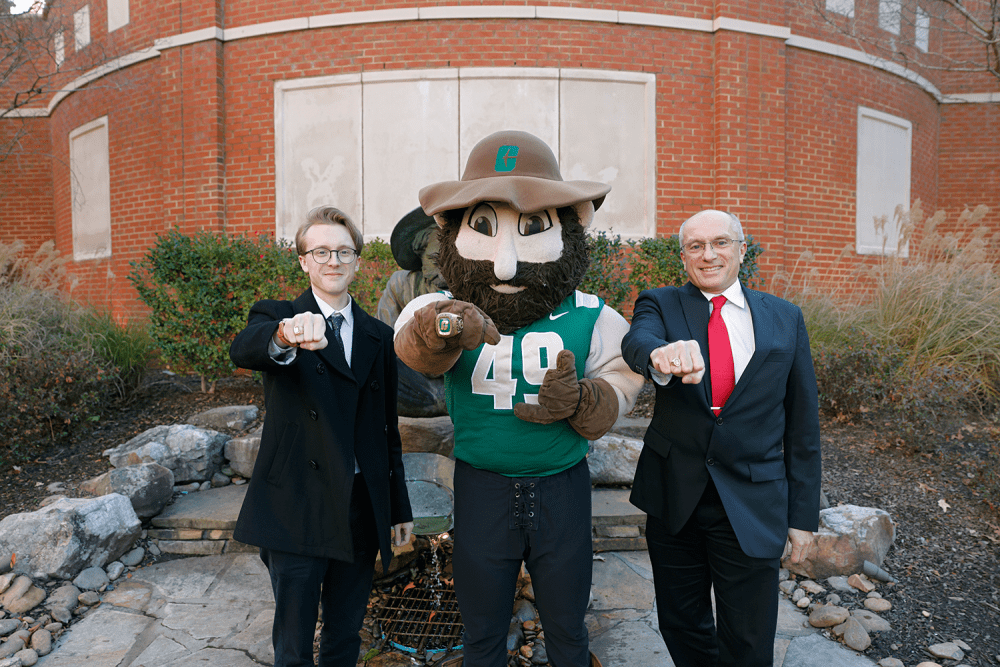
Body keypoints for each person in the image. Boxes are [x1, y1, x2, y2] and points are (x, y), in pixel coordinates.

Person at [394, 130, 644, 667]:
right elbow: (410, 341)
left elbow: (625, 374)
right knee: (482, 636)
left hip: (563, 490)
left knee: (568, 630)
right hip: (482, 488)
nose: (505, 264)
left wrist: (588, 400)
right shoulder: (445, 305)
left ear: (572, 224)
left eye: (531, 229)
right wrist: (435, 335)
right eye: (484, 228)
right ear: (452, 229)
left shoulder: (590, 313)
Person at [620, 209, 821, 667]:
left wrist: (803, 516)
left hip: (753, 500)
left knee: (750, 639)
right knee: (682, 623)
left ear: (741, 250)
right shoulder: (661, 303)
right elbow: (638, 342)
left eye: (720, 243)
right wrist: (660, 354)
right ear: (684, 256)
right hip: (675, 495)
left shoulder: (785, 318)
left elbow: (803, 424)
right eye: (695, 246)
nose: (708, 255)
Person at [230, 205, 413, 667]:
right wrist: (286, 335)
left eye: (343, 251)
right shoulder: (280, 316)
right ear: (304, 261)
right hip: (297, 504)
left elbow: (386, 432)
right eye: (321, 251)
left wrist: (397, 507)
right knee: (292, 643)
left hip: (358, 508)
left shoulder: (378, 336)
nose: (333, 260)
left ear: (356, 260)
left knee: (344, 633)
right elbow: (246, 347)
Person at [376, 207, 450, 417]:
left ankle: (448, 401)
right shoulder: (401, 284)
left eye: (449, 260)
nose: (443, 271)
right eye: (434, 260)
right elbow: (384, 339)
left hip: (454, 380)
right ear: (421, 255)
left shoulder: (469, 289)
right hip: (414, 380)